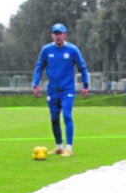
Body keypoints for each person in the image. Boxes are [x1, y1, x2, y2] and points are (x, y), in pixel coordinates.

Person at [32, 23, 89, 157]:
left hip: (67, 89)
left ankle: (69, 148)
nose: (58, 36)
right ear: (52, 35)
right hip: (52, 90)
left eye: (60, 33)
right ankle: (59, 147)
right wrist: (35, 84)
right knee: (54, 118)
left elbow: (83, 67)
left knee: (67, 116)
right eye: (55, 33)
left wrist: (85, 86)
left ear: (65, 35)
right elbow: (39, 67)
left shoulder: (72, 50)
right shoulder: (46, 50)